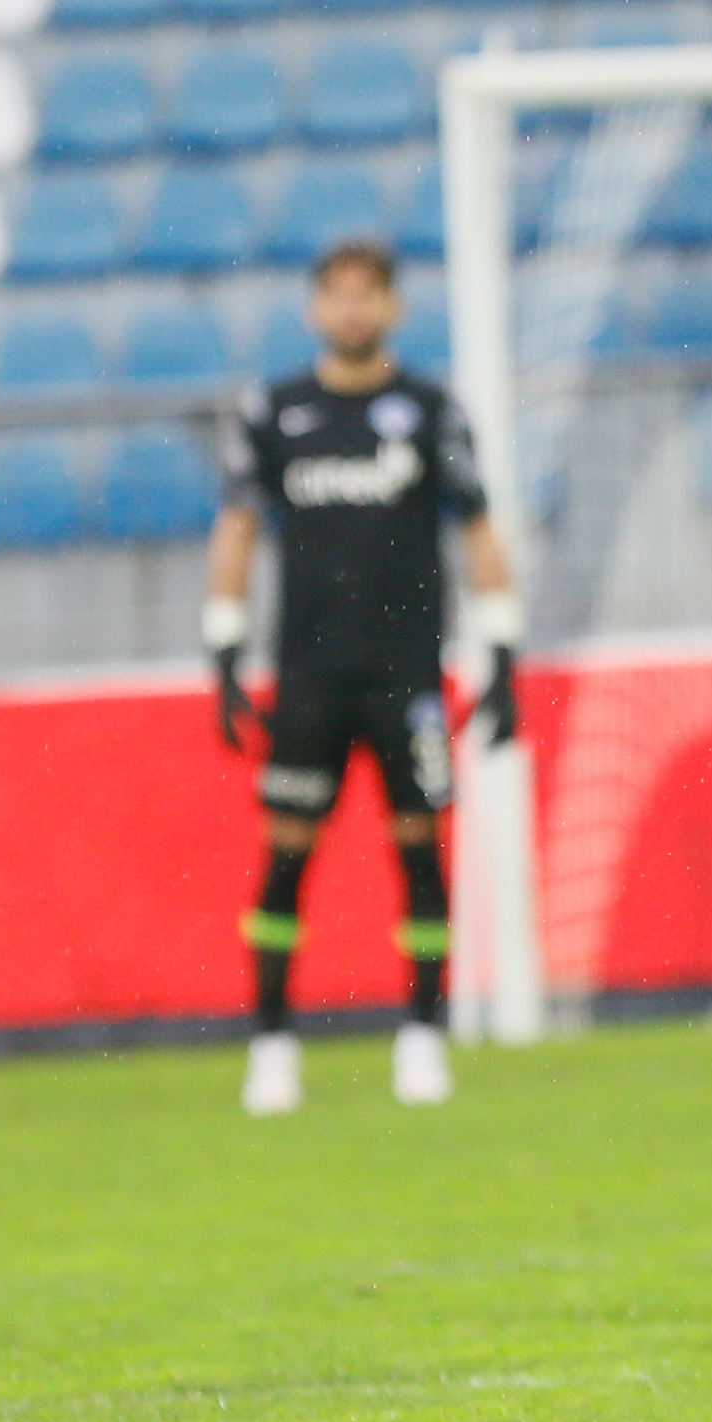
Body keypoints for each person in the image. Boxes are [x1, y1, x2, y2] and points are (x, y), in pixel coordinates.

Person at [205, 239, 520, 1116]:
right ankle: (272, 1044)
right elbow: (236, 527)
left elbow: (477, 526)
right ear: (315, 308)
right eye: (336, 294)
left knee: (419, 848)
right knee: (286, 854)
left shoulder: (429, 410)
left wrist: (503, 651)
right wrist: (223, 649)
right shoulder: (274, 411)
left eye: (367, 293)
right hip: (308, 676)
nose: (351, 309)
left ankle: (422, 1036)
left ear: (392, 307)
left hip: (406, 674)